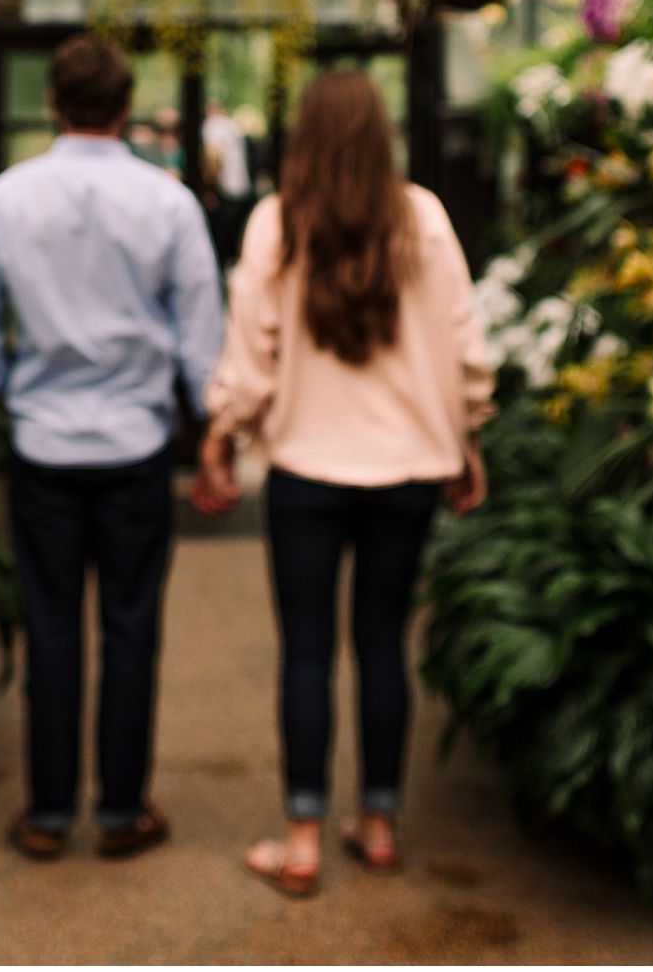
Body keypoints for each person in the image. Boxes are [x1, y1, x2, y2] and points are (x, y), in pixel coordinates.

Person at [193, 68, 493, 896]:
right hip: (409, 473)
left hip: (305, 472)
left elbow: (251, 358)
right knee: (383, 644)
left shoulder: (276, 223)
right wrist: (467, 438)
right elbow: (465, 348)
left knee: (308, 651)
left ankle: (300, 840)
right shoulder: (423, 217)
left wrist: (221, 432)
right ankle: (382, 823)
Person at [0, 33, 225, 862]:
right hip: (136, 445)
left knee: (52, 628)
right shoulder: (169, 203)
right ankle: (121, 812)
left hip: (42, 445)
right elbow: (201, 333)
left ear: (53, 104)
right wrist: (205, 423)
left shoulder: (3, 198)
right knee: (132, 628)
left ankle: (45, 814)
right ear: (126, 103)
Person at [200, 99, 254, 263]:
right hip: (242, 191)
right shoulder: (232, 126)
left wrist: (209, 188)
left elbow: (213, 158)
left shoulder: (213, 125)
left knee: (219, 248)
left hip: (225, 191)